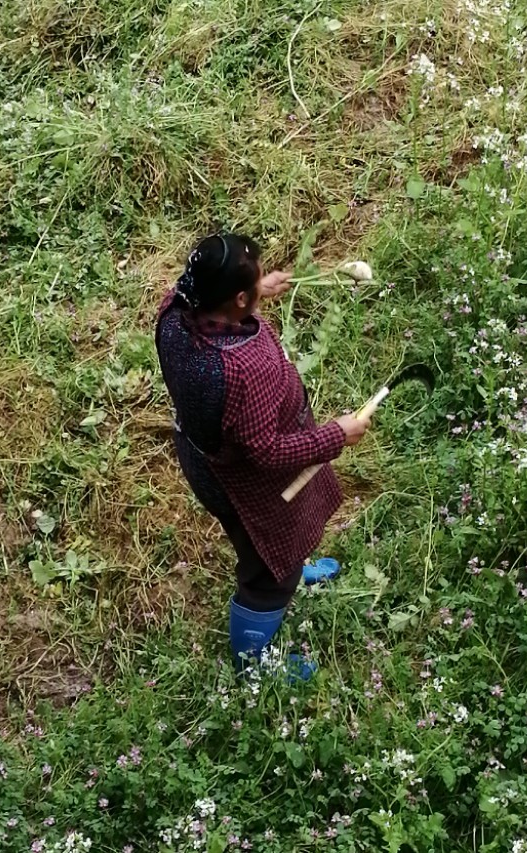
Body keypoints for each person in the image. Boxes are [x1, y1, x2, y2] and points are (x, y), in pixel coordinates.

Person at [155, 233, 368, 679]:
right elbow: (266, 451)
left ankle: (285, 558)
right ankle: (253, 660)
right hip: (246, 484)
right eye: (250, 285)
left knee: (272, 544)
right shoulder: (244, 368)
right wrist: (335, 436)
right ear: (234, 298)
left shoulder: (174, 316)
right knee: (267, 571)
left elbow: (189, 286)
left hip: (201, 456)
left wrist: (255, 292)